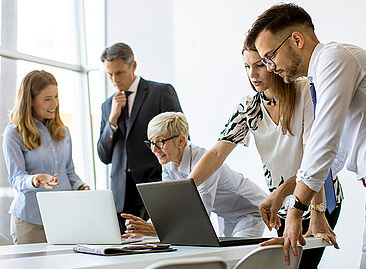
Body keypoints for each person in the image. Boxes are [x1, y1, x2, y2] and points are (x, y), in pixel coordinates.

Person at [245, 2, 366, 269]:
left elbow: (323, 141)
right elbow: (335, 157)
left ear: (296, 39)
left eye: (269, 57)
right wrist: (284, 190)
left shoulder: (334, 58)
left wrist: (296, 211)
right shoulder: (324, 72)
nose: (270, 68)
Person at [188, 42, 343, 269]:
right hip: (281, 207)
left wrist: (317, 212)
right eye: (247, 67)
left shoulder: (304, 93)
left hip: (317, 199)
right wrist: (187, 187)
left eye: (259, 65)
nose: (253, 74)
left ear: (273, 63)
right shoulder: (249, 107)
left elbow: (313, 160)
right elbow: (218, 152)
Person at [122, 111, 266, 239]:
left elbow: (199, 217)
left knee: (237, 260)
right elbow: (169, 203)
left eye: (159, 142)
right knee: (227, 261)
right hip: (226, 215)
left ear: (180, 140)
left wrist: (156, 230)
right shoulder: (167, 161)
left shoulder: (203, 162)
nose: (154, 149)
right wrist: (145, 228)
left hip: (250, 211)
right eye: (151, 143)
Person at [97, 43, 183, 232]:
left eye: (118, 73)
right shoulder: (107, 106)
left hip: (154, 189)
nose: (114, 80)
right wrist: (112, 120)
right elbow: (104, 156)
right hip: (120, 199)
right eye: (109, 75)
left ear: (133, 65)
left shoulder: (161, 92)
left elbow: (181, 141)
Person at [2, 70, 89, 245]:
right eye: (47, 98)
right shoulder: (14, 133)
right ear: (30, 100)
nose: (55, 103)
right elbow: (16, 178)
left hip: (63, 217)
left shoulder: (63, 131)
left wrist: (82, 187)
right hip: (30, 221)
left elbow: (69, 172)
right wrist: (36, 179)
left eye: (56, 96)